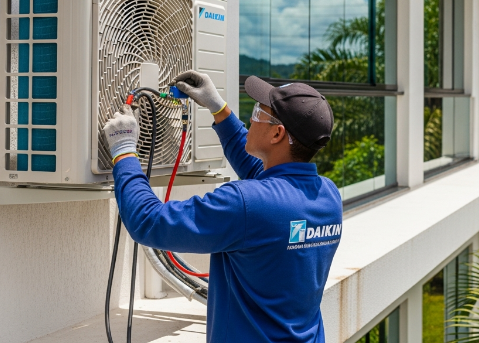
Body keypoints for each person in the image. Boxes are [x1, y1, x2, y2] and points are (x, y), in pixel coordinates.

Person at [103, 70, 342, 342]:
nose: (251, 119)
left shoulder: (246, 204)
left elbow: (149, 222)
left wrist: (124, 150)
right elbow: (266, 177)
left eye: (257, 113)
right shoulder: (328, 195)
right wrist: (219, 109)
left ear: (277, 133)